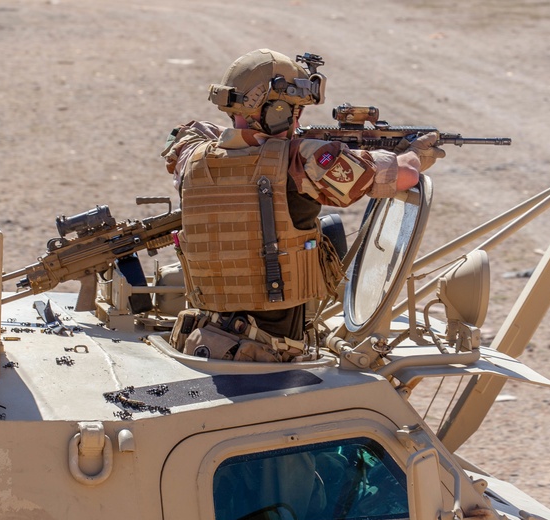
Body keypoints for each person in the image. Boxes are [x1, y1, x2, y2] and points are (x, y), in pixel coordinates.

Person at [162, 49, 444, 362]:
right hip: (263, 357)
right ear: (278, 108)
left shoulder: (192, 157)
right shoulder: (303, 160)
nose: (299, 119)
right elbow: (401, 175)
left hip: (205, 341)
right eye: (295, 109)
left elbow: (190, 135)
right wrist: (417, 153)